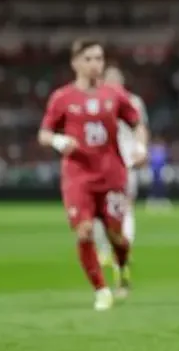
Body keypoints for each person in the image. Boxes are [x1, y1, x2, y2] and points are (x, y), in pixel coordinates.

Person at [38, 39, 148, 311]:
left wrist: (141, 146)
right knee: (85, 232)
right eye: (88, 59)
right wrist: (58, 142)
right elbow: (44, 133)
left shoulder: (114, 94)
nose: (95, 64)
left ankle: (122, 268)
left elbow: (137, 124)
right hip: (78, 176)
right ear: (75, 62)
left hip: (112, 174)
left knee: (116, 235)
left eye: (99, 59)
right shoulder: (62, 97)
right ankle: (101, 290)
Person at [94, 66, 147, 273]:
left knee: (126, 207)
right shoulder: (96, 101)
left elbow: (141, 128)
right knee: (99, 209)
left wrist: (141, 149)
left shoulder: (133, 102)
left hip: (126, 162)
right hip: (99, 163)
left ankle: (124, 249)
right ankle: (105, 249)